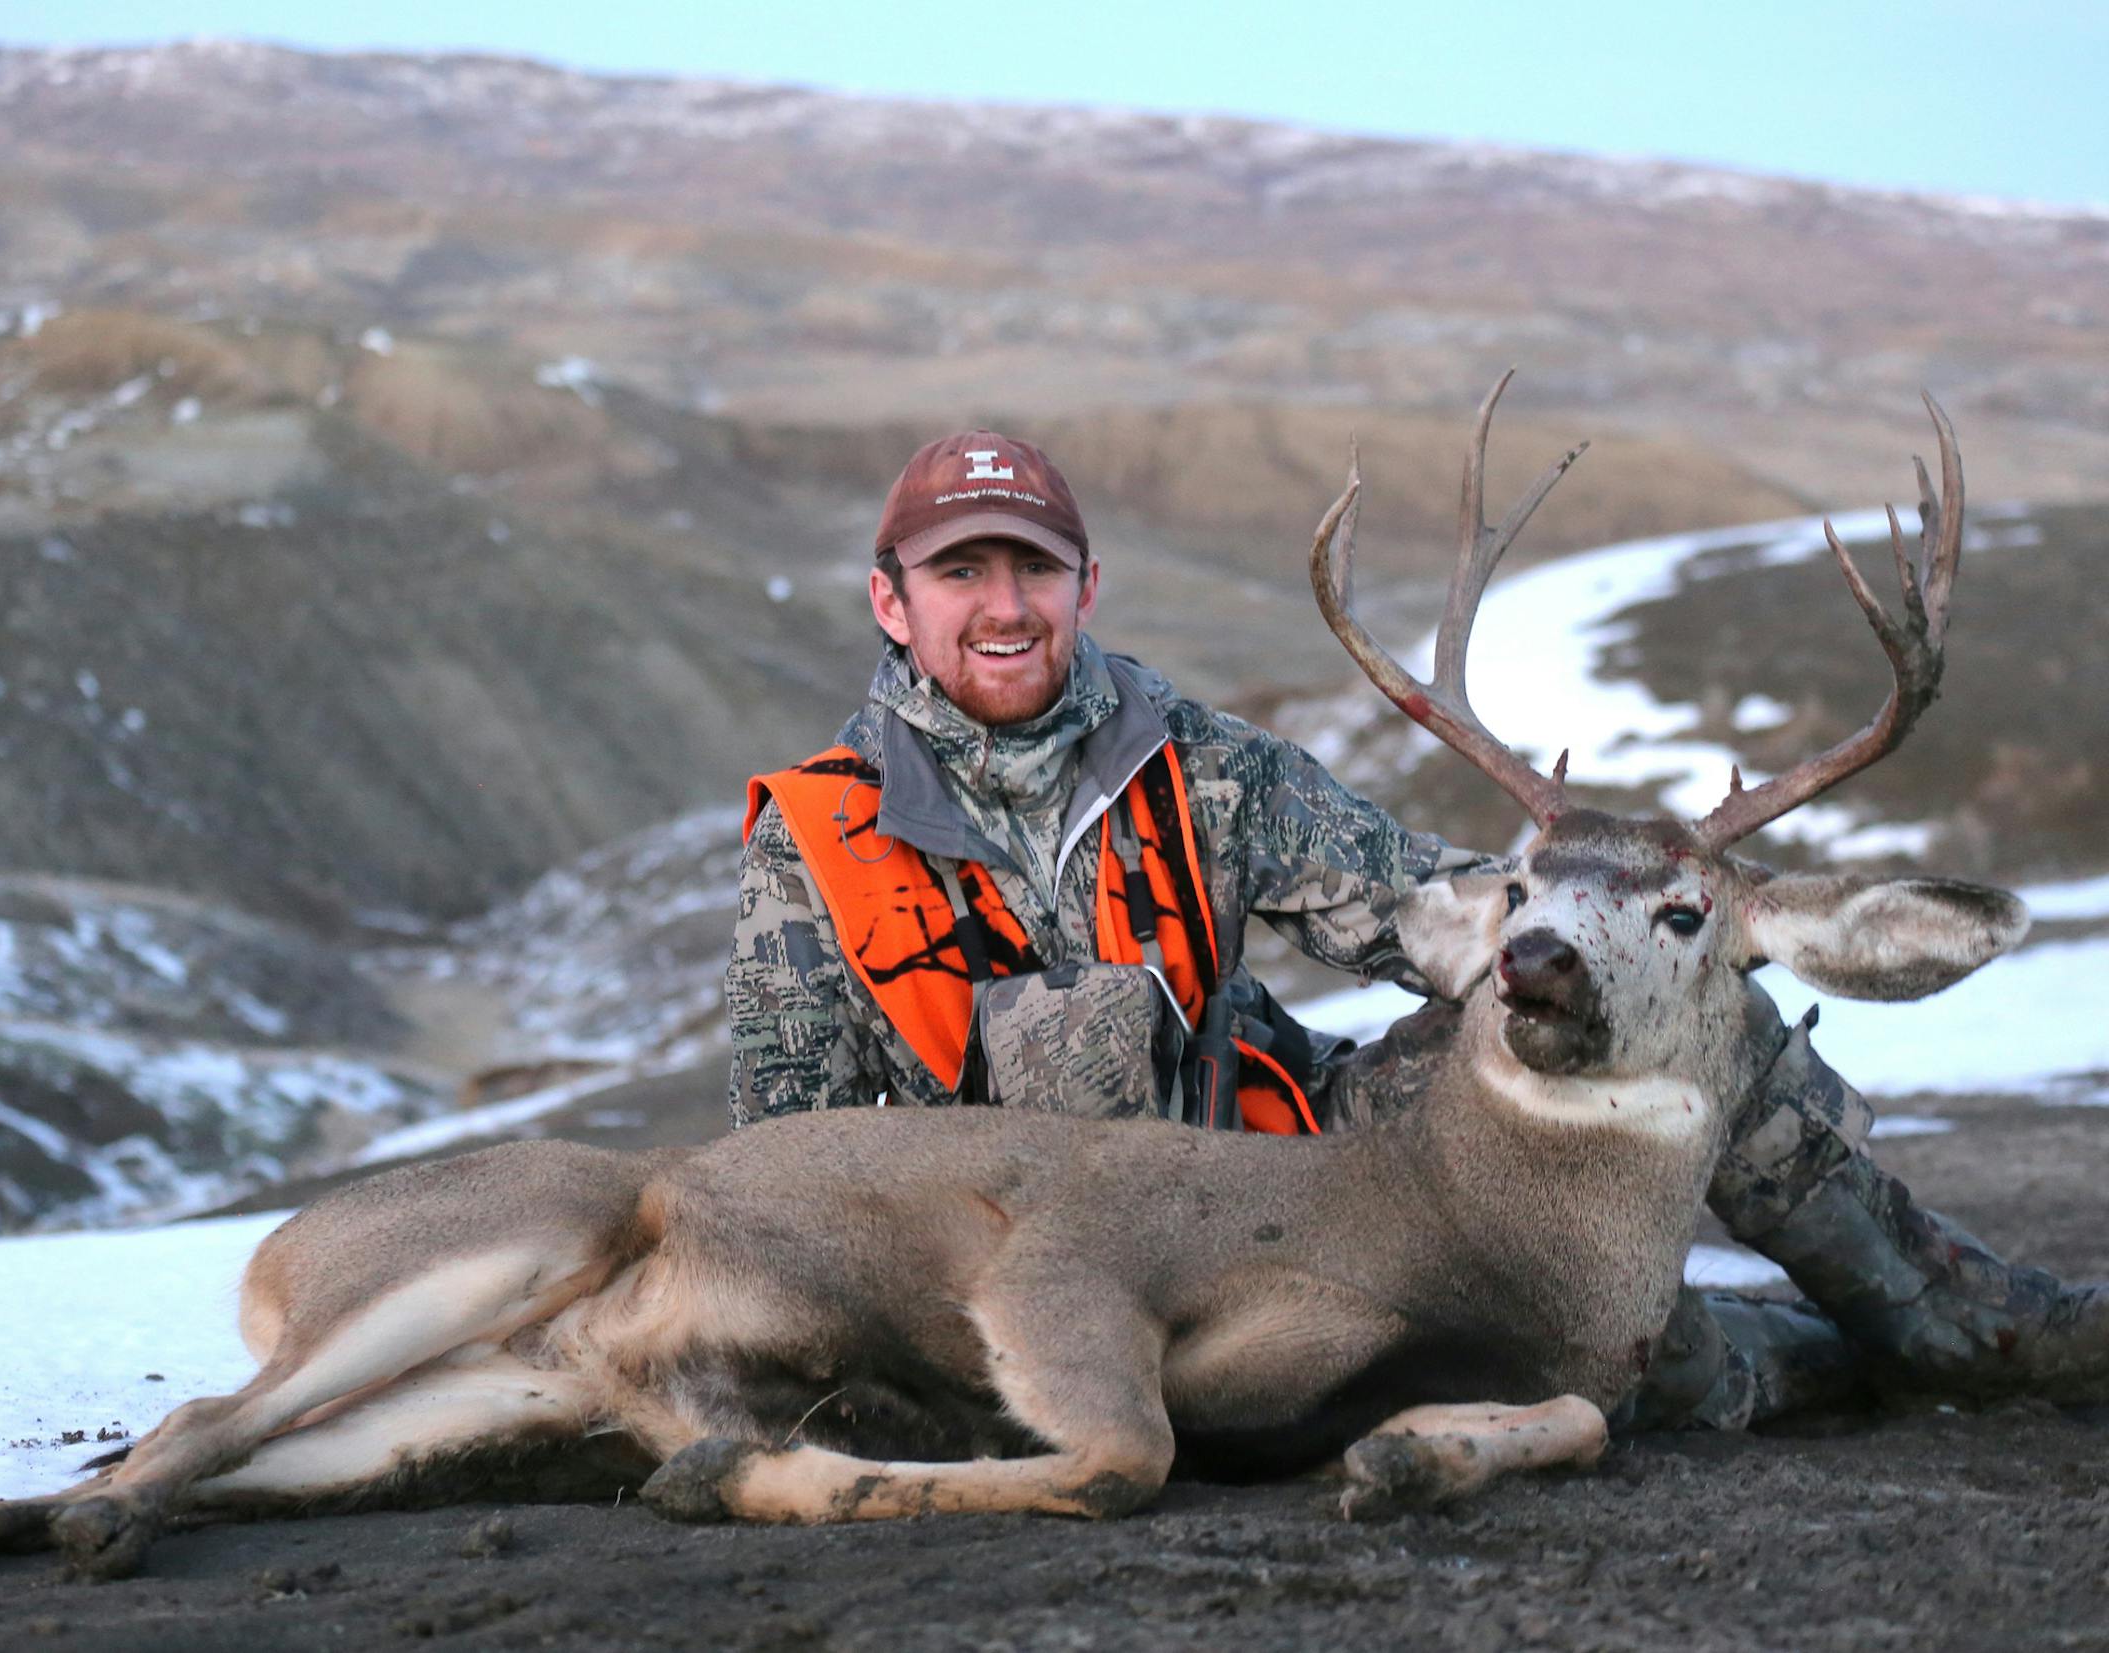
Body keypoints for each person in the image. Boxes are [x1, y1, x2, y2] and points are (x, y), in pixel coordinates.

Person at [726, 427, 2109, 1427]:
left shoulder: (1202, 765)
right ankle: (1789, 1357)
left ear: (1085, 588)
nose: (1004, 607)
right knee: (1658, 1371)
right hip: (1033, 1259)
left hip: (1302, 1191)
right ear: (891, 604)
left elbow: (1435, 914)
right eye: (960, 573)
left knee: (1673, 983)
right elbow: (781, 1150)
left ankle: (1961, 1320)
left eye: (1031, 570)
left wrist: (1629, 919)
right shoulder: (816, 839)